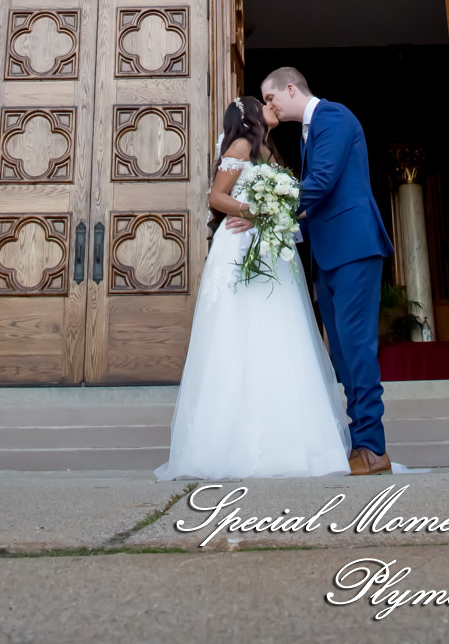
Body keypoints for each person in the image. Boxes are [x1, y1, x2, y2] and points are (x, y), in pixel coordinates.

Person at [154, 94, 351, 480]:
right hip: (243, 246)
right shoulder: (242, 145)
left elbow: (283, 202)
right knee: (244, 333)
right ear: (248, 116)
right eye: (263, 104)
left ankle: (290, 442)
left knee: (279, 336)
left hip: (271, 250)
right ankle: (235, 444)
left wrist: (272, 213)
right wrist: (255, 212)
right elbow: (216, 196)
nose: (270, 107)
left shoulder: (268, 149)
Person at [261, 67, 394, 475]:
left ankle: (372, 447)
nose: (271, 108)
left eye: (270, 100)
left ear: (289, 88)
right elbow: (316, 196)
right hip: (329, 253)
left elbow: (320, 183)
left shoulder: (333, 117)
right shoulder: (308, 130)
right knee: (339, 351)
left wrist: (263, 212)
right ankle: (360, 443)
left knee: (356, 347)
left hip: (353, 246)